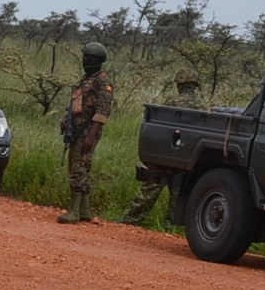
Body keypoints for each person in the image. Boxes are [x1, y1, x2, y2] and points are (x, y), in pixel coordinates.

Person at [120, 72, 201, 225]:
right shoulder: (201, 105)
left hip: (167, 151)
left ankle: (131, 220)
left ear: (179, 85)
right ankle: (171, 224)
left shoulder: (172, 101)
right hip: (185, 154)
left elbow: (162, 125)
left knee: (151, 186)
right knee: (178, 190)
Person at [59, 41, 115, 224]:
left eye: (88, 58)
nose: (84, 61)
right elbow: (78, 105)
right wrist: (66, 120)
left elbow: (103, 110)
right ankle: (84, 210)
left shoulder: (102, 82)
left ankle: (74, 211)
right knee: (78, 167)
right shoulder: (86, 80)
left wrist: (91, 135)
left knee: (78, 169)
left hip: (87, 131)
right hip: (77, 129)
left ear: (97, 60)